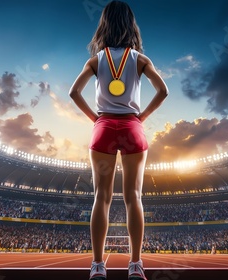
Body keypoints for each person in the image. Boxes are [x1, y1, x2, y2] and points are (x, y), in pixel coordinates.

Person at [69, 1, 168, 279]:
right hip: (132, 127)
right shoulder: (139, 59)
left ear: (104, 25)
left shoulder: (96, 59)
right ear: (131, 26)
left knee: (101, 197)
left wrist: (95, 119)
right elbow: (163, 90)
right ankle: (135, 265)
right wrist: (142, 116)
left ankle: (98, 266)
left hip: (103, 127)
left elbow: (74, 93)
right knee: (133, 197)